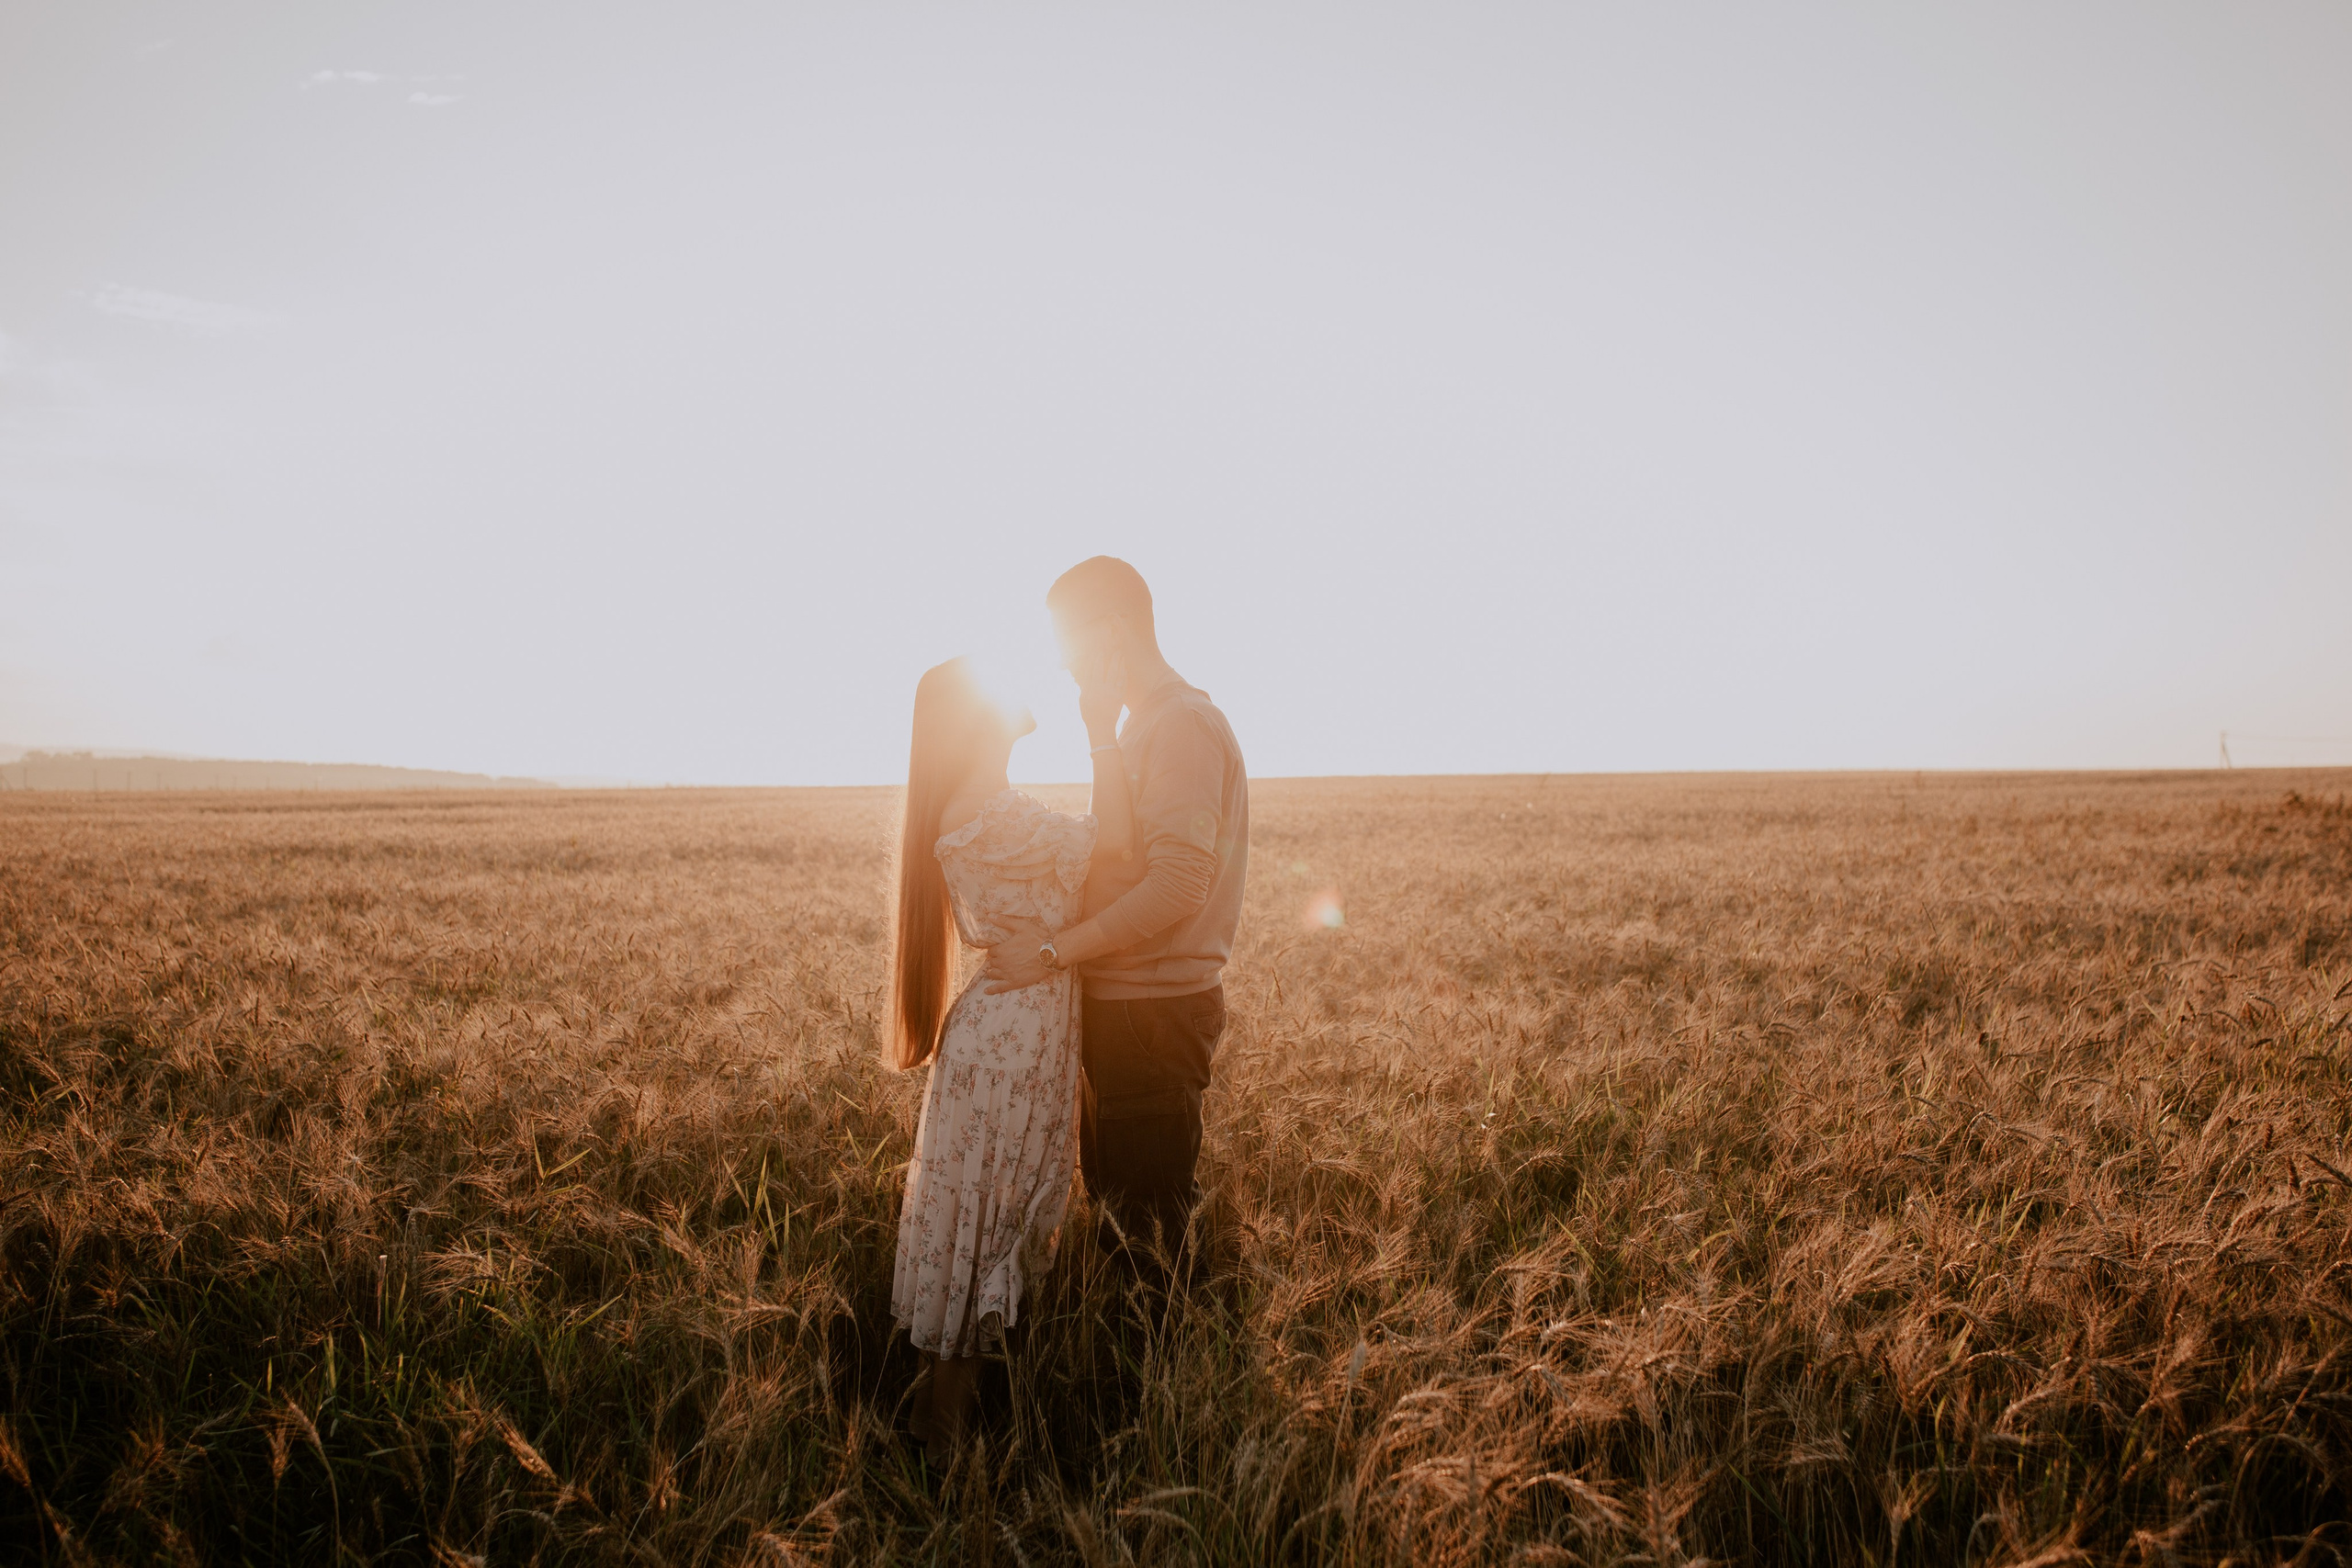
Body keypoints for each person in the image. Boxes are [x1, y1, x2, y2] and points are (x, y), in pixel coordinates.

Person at [885, 655, 1135, 1459]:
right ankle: (944, 1450)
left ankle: (930, 1433)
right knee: (986, 1236)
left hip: (997, 1040)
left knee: (968, 1232)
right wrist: (1103, 732)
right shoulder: (997, 816)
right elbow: (1121, 851)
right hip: (1014, 1047)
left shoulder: (973, 809)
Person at [982, 557, 1250, 1279]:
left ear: (1109, 630)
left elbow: (1176, 888)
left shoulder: (1184, 725)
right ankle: (1140, 1386)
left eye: (1071, 648)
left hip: (1154, 1017)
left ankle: (1162, 1390)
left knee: (1147, 1242)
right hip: (1128, 1012)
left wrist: (1051, 951)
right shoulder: (1138, 728)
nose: (1067, 668)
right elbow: (1117, 858)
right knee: (1120, 1221)